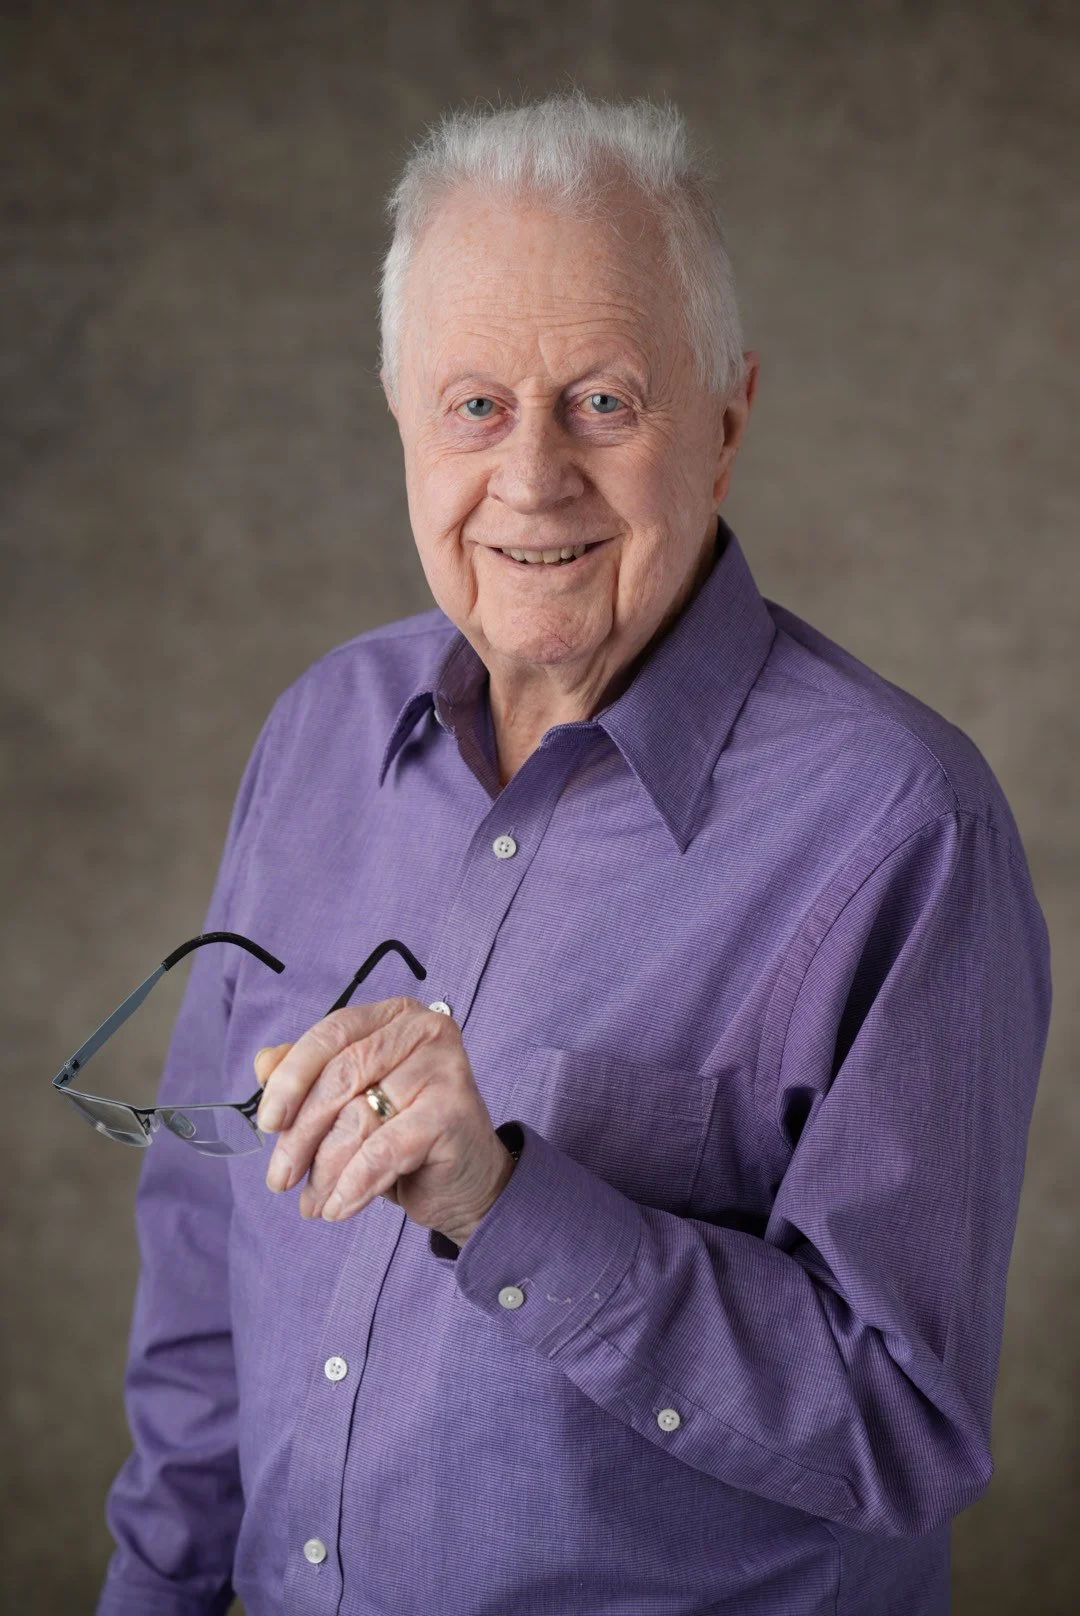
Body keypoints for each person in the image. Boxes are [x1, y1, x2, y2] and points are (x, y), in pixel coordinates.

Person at [96, 91, 1052, 1616]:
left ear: (727, 420)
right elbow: (208, 1289)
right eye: (474, 404)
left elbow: (898, 1429)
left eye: (604, 401)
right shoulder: (318, 736)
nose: (533, 477)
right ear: (403, 420)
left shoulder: (901, 828)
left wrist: (504, 1202)